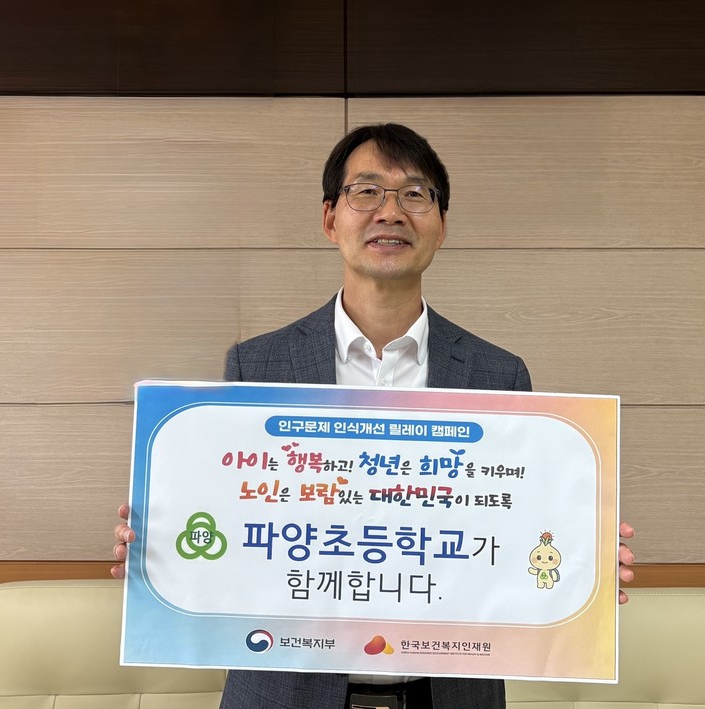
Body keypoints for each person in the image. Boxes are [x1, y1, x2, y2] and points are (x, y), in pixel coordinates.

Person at [113, 123, 635, 709]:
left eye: (414, 194)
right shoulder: (256, 365)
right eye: (366, 192)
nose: (390, 211)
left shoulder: (498, 374)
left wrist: (582, 563)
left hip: (450, 695)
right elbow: (224, 528)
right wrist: (159, 550)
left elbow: (518, 538)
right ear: (330, 218)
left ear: (441, 224)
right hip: (284, 693)